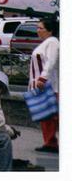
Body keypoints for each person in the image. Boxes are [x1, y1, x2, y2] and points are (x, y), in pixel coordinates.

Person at [29, 18, 59, 153]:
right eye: (37, 28)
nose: (38, 31)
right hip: (40, 85)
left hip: (49, 85)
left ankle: (51, 142)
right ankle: (50, 142)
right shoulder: (45, 43)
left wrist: (43, 78)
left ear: (50, 30)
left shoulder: (52, 42)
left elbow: (51, 62)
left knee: (52, 116)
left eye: (40, 28)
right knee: (45, 116)